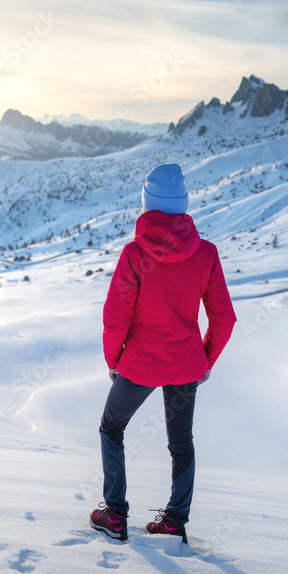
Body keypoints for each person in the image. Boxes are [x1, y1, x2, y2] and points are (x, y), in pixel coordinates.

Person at [90, 163, 236, 543]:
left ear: (147, 205)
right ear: (183, 204)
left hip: (139, 365)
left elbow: (115, 317)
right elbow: (224, 319)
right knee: (181, 444)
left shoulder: (135, 255)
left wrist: (113, 361)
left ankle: (115, 514)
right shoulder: (206, 254)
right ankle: (174, 522)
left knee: (111, 428)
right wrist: (206, 360)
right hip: (187, 365)